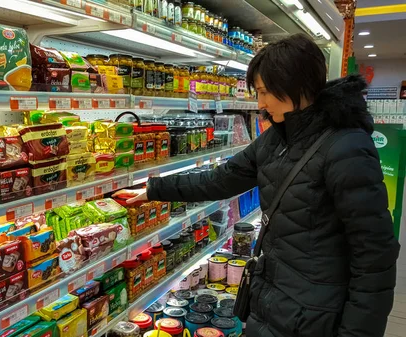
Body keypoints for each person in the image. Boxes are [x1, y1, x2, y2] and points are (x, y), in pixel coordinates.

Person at [115, 34, 400, 337]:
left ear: (296, 85)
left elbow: (374, 259)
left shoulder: (347, 148)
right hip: (269, 301)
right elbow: (220, 178)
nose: (260, 103)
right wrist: (152, 189)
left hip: (316, 317)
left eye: (265, 92)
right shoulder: (276, 139)